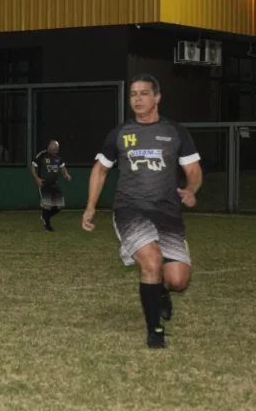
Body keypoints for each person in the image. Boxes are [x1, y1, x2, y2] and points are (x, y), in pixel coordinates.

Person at [82, 74, 202, 349]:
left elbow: (193, 171)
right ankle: (154, 331)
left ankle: (161, 292)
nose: (137, 98)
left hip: (168, 213)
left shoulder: (176, 132)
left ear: (157, 97)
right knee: (151, 263)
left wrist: (192, 189)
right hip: (130, 209)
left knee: (178, 280)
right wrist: (90, 207)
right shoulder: (120, 133)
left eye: (144, 93)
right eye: (133, 94)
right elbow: (100, 169)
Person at [31, 140, 71, 231]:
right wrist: (37, 178)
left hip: (54, 184)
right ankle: (47, 226)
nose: (52, 151)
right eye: (51, 149)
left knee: (60, 206)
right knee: (47, 205)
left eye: (54, 150)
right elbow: (33, 167)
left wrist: (66, 175)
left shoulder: (58, 158)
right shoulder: (42, 155)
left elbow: (62, 168)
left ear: (57, 150)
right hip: (44, 184)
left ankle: (45, 216)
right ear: (49, 147)